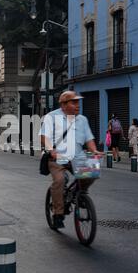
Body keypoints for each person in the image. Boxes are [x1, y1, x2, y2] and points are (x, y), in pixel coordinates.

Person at [40, 91, 104, 229]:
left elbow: (89, 139)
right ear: (63, 105)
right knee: (59, 180)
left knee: (93, 171)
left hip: (78, 157)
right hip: (58, 158)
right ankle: (58, 214)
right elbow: (44, 137)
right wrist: (52, 151)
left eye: (78, 102)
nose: (77, 105)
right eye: (73, 102)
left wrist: (94, 150)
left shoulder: (82, 119)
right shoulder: (51, 117)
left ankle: (79, 193)